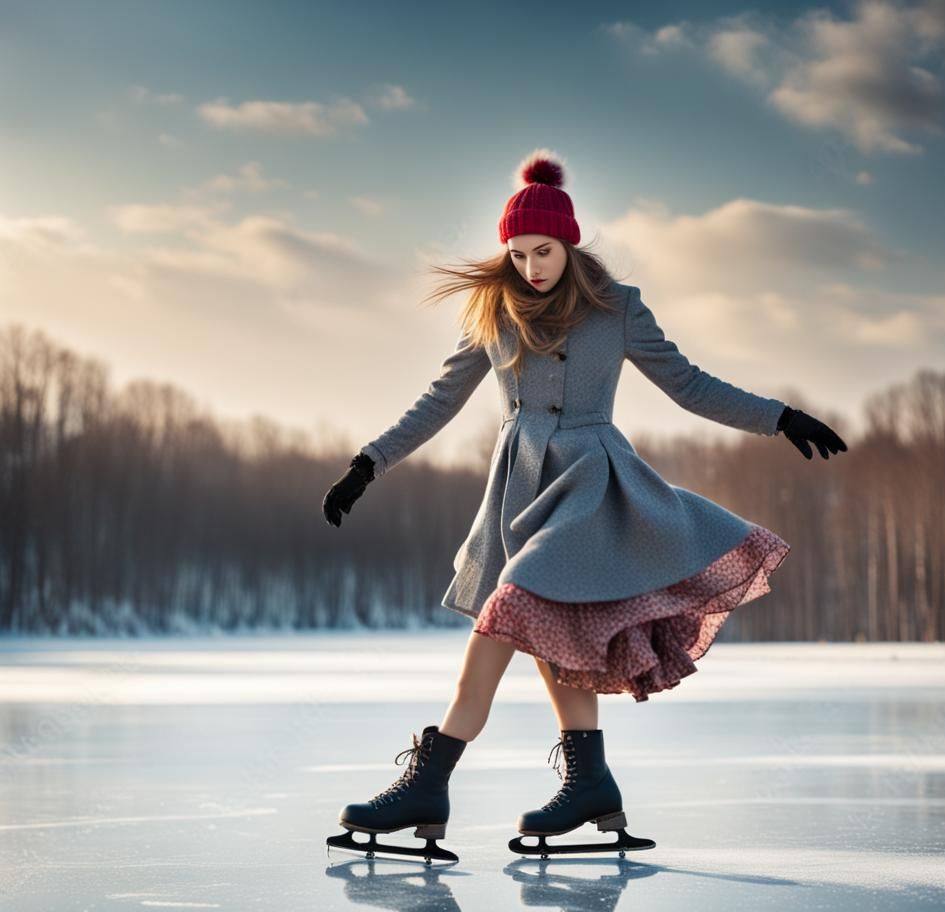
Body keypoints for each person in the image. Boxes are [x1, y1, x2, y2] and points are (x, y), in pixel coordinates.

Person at [322, 148, 847, 860]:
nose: (531, 267)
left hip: (590, 488)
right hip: (518, 492)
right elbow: (441, 399)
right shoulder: (495, 312)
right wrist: (368, 462)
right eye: (517, 254)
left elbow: (689, 385)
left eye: (543, 251)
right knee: (549, 635)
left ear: (568, 244)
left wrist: (780, 416)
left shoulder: (617, 310)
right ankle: (590, 784)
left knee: (509, 609)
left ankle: (430, 779)